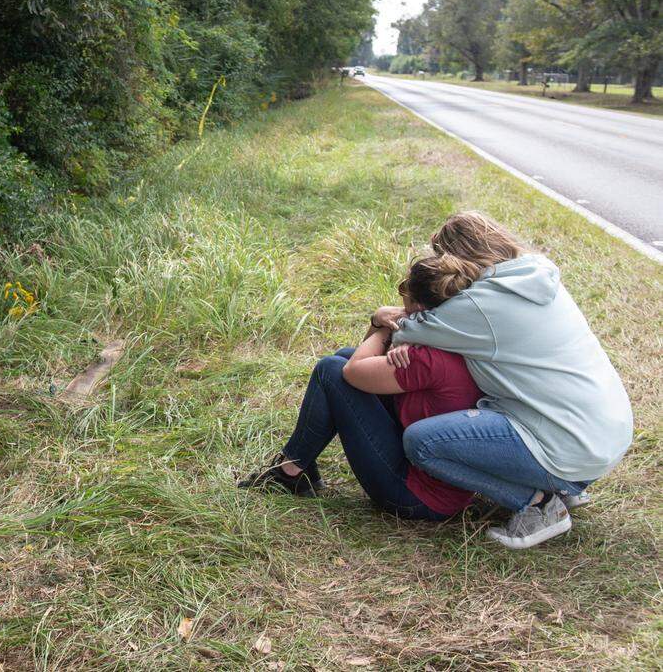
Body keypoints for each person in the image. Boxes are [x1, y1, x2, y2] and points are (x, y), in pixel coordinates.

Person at [371, 212, 633, 549]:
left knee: (422, 442)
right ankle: (565, 486)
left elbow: (403, 325)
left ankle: (538, 504)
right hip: (606, 435)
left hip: (571, 447)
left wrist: (381, 317)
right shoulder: (533, 275)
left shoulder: (479, 304)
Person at [238, 255, 484, 521]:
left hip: (416, 497)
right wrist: (401, 331)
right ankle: (298, 467)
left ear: (418, 306)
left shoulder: (425, 358)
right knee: (344, 355)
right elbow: (359, 361)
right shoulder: (456, 338)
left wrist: (384, 326)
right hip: (435, 477)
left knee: (330, 371)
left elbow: (353, 372)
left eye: (404, 293)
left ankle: (290, 471)